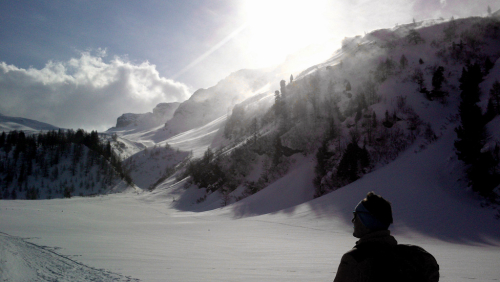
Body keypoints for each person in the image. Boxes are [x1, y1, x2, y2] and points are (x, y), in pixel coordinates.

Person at [333, 192, 439, 282]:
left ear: (367, 220)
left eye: (356, 215)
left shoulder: (355, 259)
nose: (353, 221)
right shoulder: (419, 257)